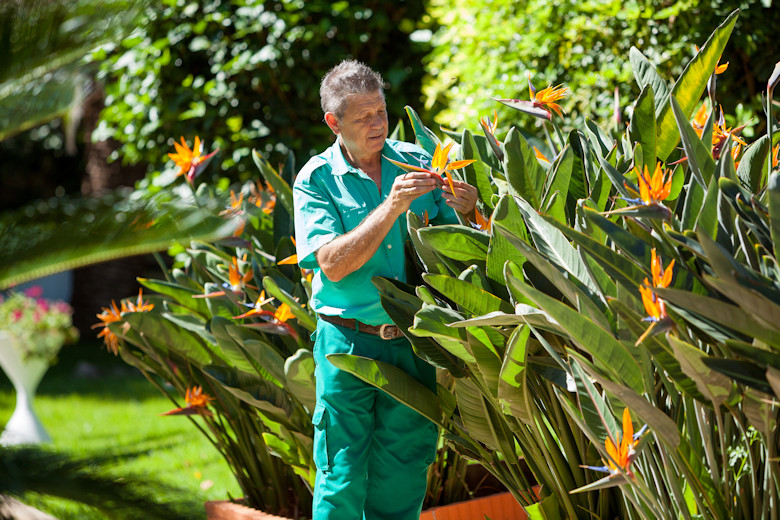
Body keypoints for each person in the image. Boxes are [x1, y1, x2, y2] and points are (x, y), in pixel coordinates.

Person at [292, 59, 478, 520]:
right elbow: (331, 265)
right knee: (341, 476)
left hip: (412, 342)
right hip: (346, 341)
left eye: (381, 113)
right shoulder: (315, 181)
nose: (378, 125)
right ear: (334, 123)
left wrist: (470, 211)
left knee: (404, 474)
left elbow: (455, 246)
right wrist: (392, 207)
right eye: (364, 118)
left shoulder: (417, 162)